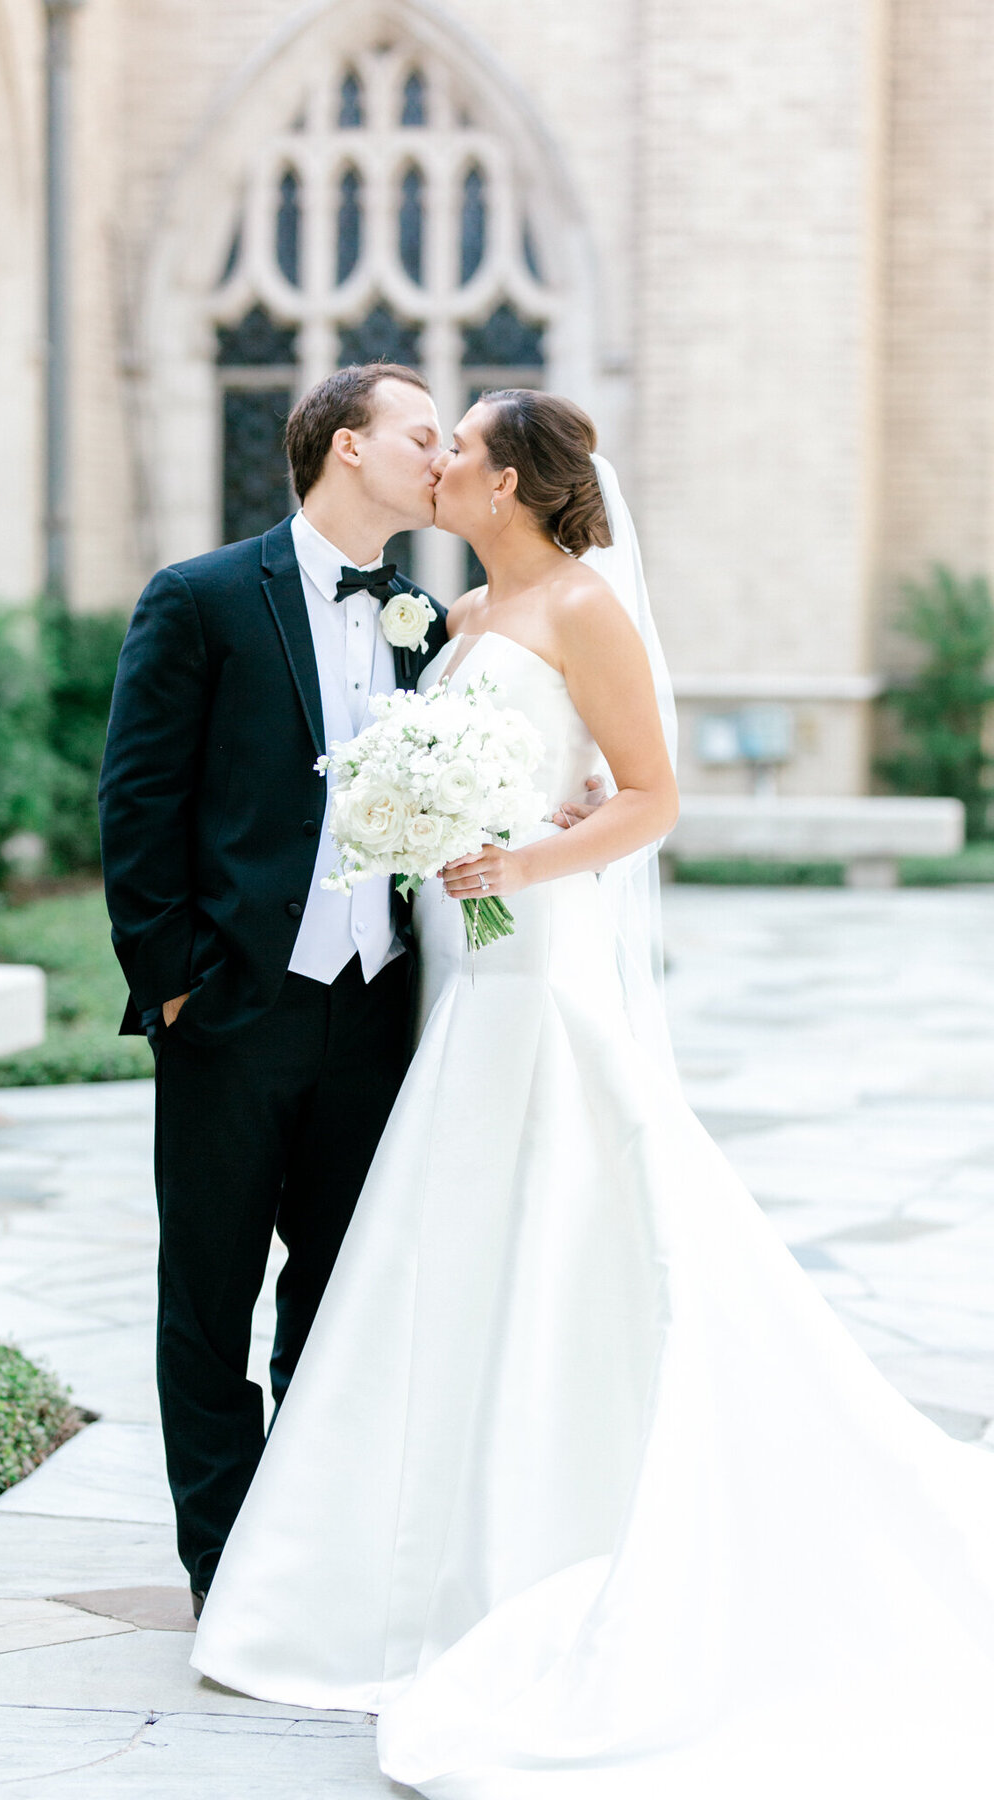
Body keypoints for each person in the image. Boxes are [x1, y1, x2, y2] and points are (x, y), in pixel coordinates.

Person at [192, 390, 994, 1797]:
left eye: (463, 451)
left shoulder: (580, 609)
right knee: (449, 1239)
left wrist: (525, 866)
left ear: (509, 485)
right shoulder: (457, 623)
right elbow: (475, 782)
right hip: (459, 964)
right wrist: (431, 826)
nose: (441, 464)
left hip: (534, 958)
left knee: (564, 1211)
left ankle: (556, 1524)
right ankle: (397, 1569)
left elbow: (651, 796)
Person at [97, 363, 450, 1613]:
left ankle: (305, 1545)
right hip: (232, 1008)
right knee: (209, 1291)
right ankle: (222, 1561)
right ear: (346, 448)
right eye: (420, 433)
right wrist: (176, 985)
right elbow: (137, 803)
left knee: (339, 1291)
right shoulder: (198, 599)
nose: (443, 453)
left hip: (373, 1011)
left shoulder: (427, 615)